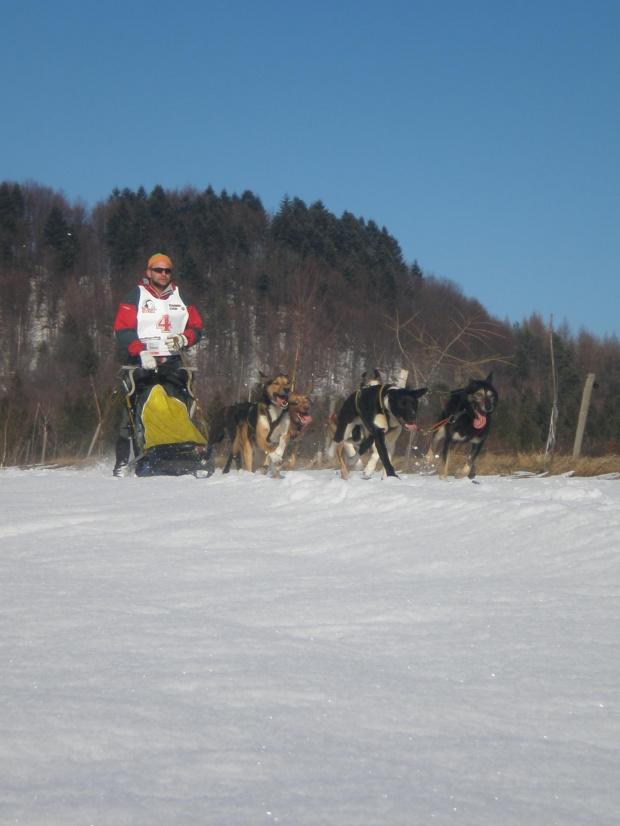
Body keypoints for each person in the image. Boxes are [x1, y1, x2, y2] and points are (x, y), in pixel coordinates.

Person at [112, 253, 203, 476]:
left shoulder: (181, 296)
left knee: (183, 404)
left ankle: (186, 451)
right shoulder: (136, 295)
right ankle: (123, 462)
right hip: (141, 360)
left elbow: (197, 327)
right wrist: (140, 351)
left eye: (167, 270)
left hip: (172, 360)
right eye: (158, 270)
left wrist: (185, 338)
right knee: (131, 410)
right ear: (149, 272)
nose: (163, 274)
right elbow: (121, 330)